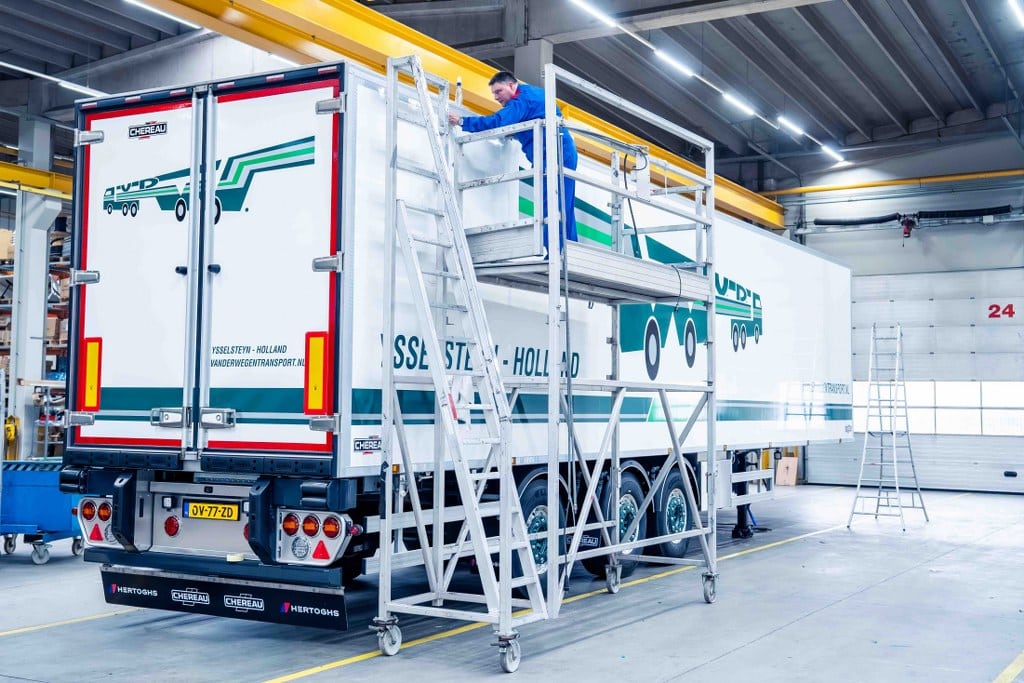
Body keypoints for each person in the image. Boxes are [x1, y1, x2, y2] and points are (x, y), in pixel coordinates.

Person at [448, 71, 578, 250]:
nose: (496, 97)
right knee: (563, 204)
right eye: (494, 93)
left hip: (554, 154)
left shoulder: (521, 101)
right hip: (560, 152)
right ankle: (568, 251)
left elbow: (497, 122)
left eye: (498, 91)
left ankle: (555, 253)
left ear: (511, 85)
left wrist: (462, 121)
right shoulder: (531, 93)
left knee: (551, 205)